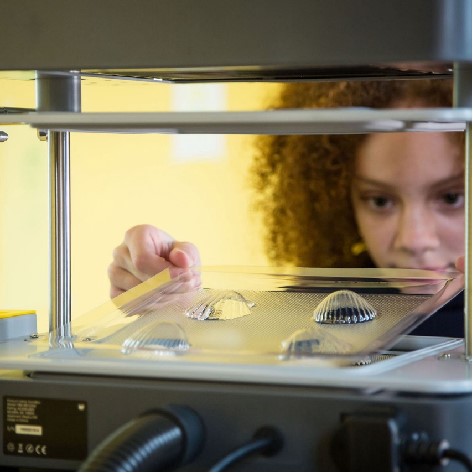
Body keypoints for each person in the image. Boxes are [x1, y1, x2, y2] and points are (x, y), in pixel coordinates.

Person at [108, 79, 465, 338]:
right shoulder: (320, 312)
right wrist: (174, 312)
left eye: (452, 197)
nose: (414, 240)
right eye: (380, 201)